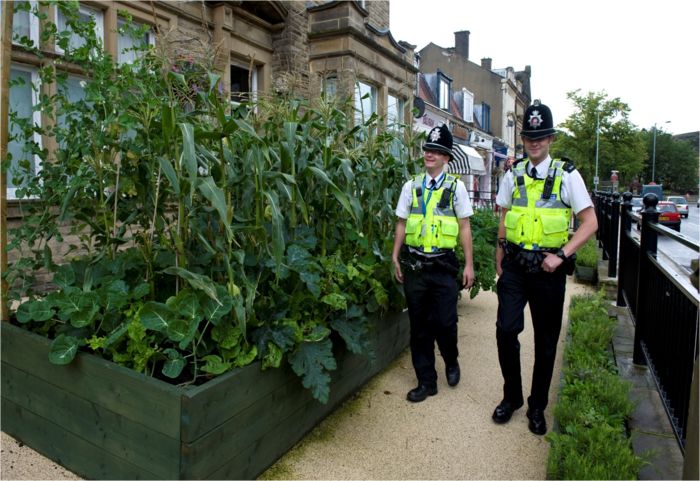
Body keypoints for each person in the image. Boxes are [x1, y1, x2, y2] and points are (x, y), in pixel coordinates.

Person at [492, 100, 598, 434]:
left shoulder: (567, 175)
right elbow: (505, 214)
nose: (534, 142)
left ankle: (537, 406)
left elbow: (590, 222)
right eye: (529, 137)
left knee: (546, 341)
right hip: (515, 266)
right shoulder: (513, 173)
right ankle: (512, 397)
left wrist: (562, 255)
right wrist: (499, 254)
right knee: (505, 330)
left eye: (540, 137)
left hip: (548, 271)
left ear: (550, 138)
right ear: (523, 139)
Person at [391, 124, 475, 403]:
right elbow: (401, 222)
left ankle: (451, 360)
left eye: (436, 151)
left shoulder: (456, 187)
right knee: (419, 327)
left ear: (446, 158)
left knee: (445, 323)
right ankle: (427, 382)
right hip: (415, 264)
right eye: (428, 149)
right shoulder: (411, 186)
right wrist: (395, 255)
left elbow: (464, 226)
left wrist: (469, 264)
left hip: (443, 266)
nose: (429, 154)